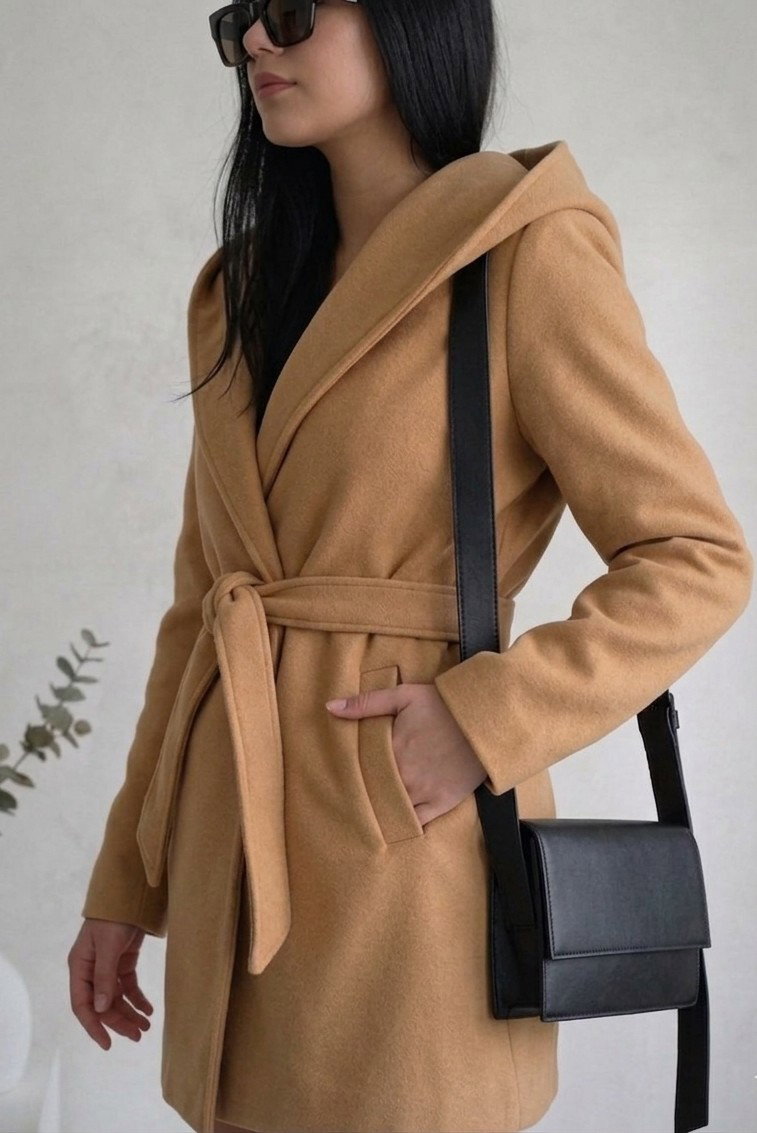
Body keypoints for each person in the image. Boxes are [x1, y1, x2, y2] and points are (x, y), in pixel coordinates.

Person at [67, 2, 754, 1132]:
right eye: (239, 19)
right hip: (229, 855)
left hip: (407, 854)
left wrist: (485, 719)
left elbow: (696, 556)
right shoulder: (244, 289)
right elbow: (202, 612)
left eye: (293, 11)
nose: (256, 44)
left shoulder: (523, 248)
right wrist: (124, 886)